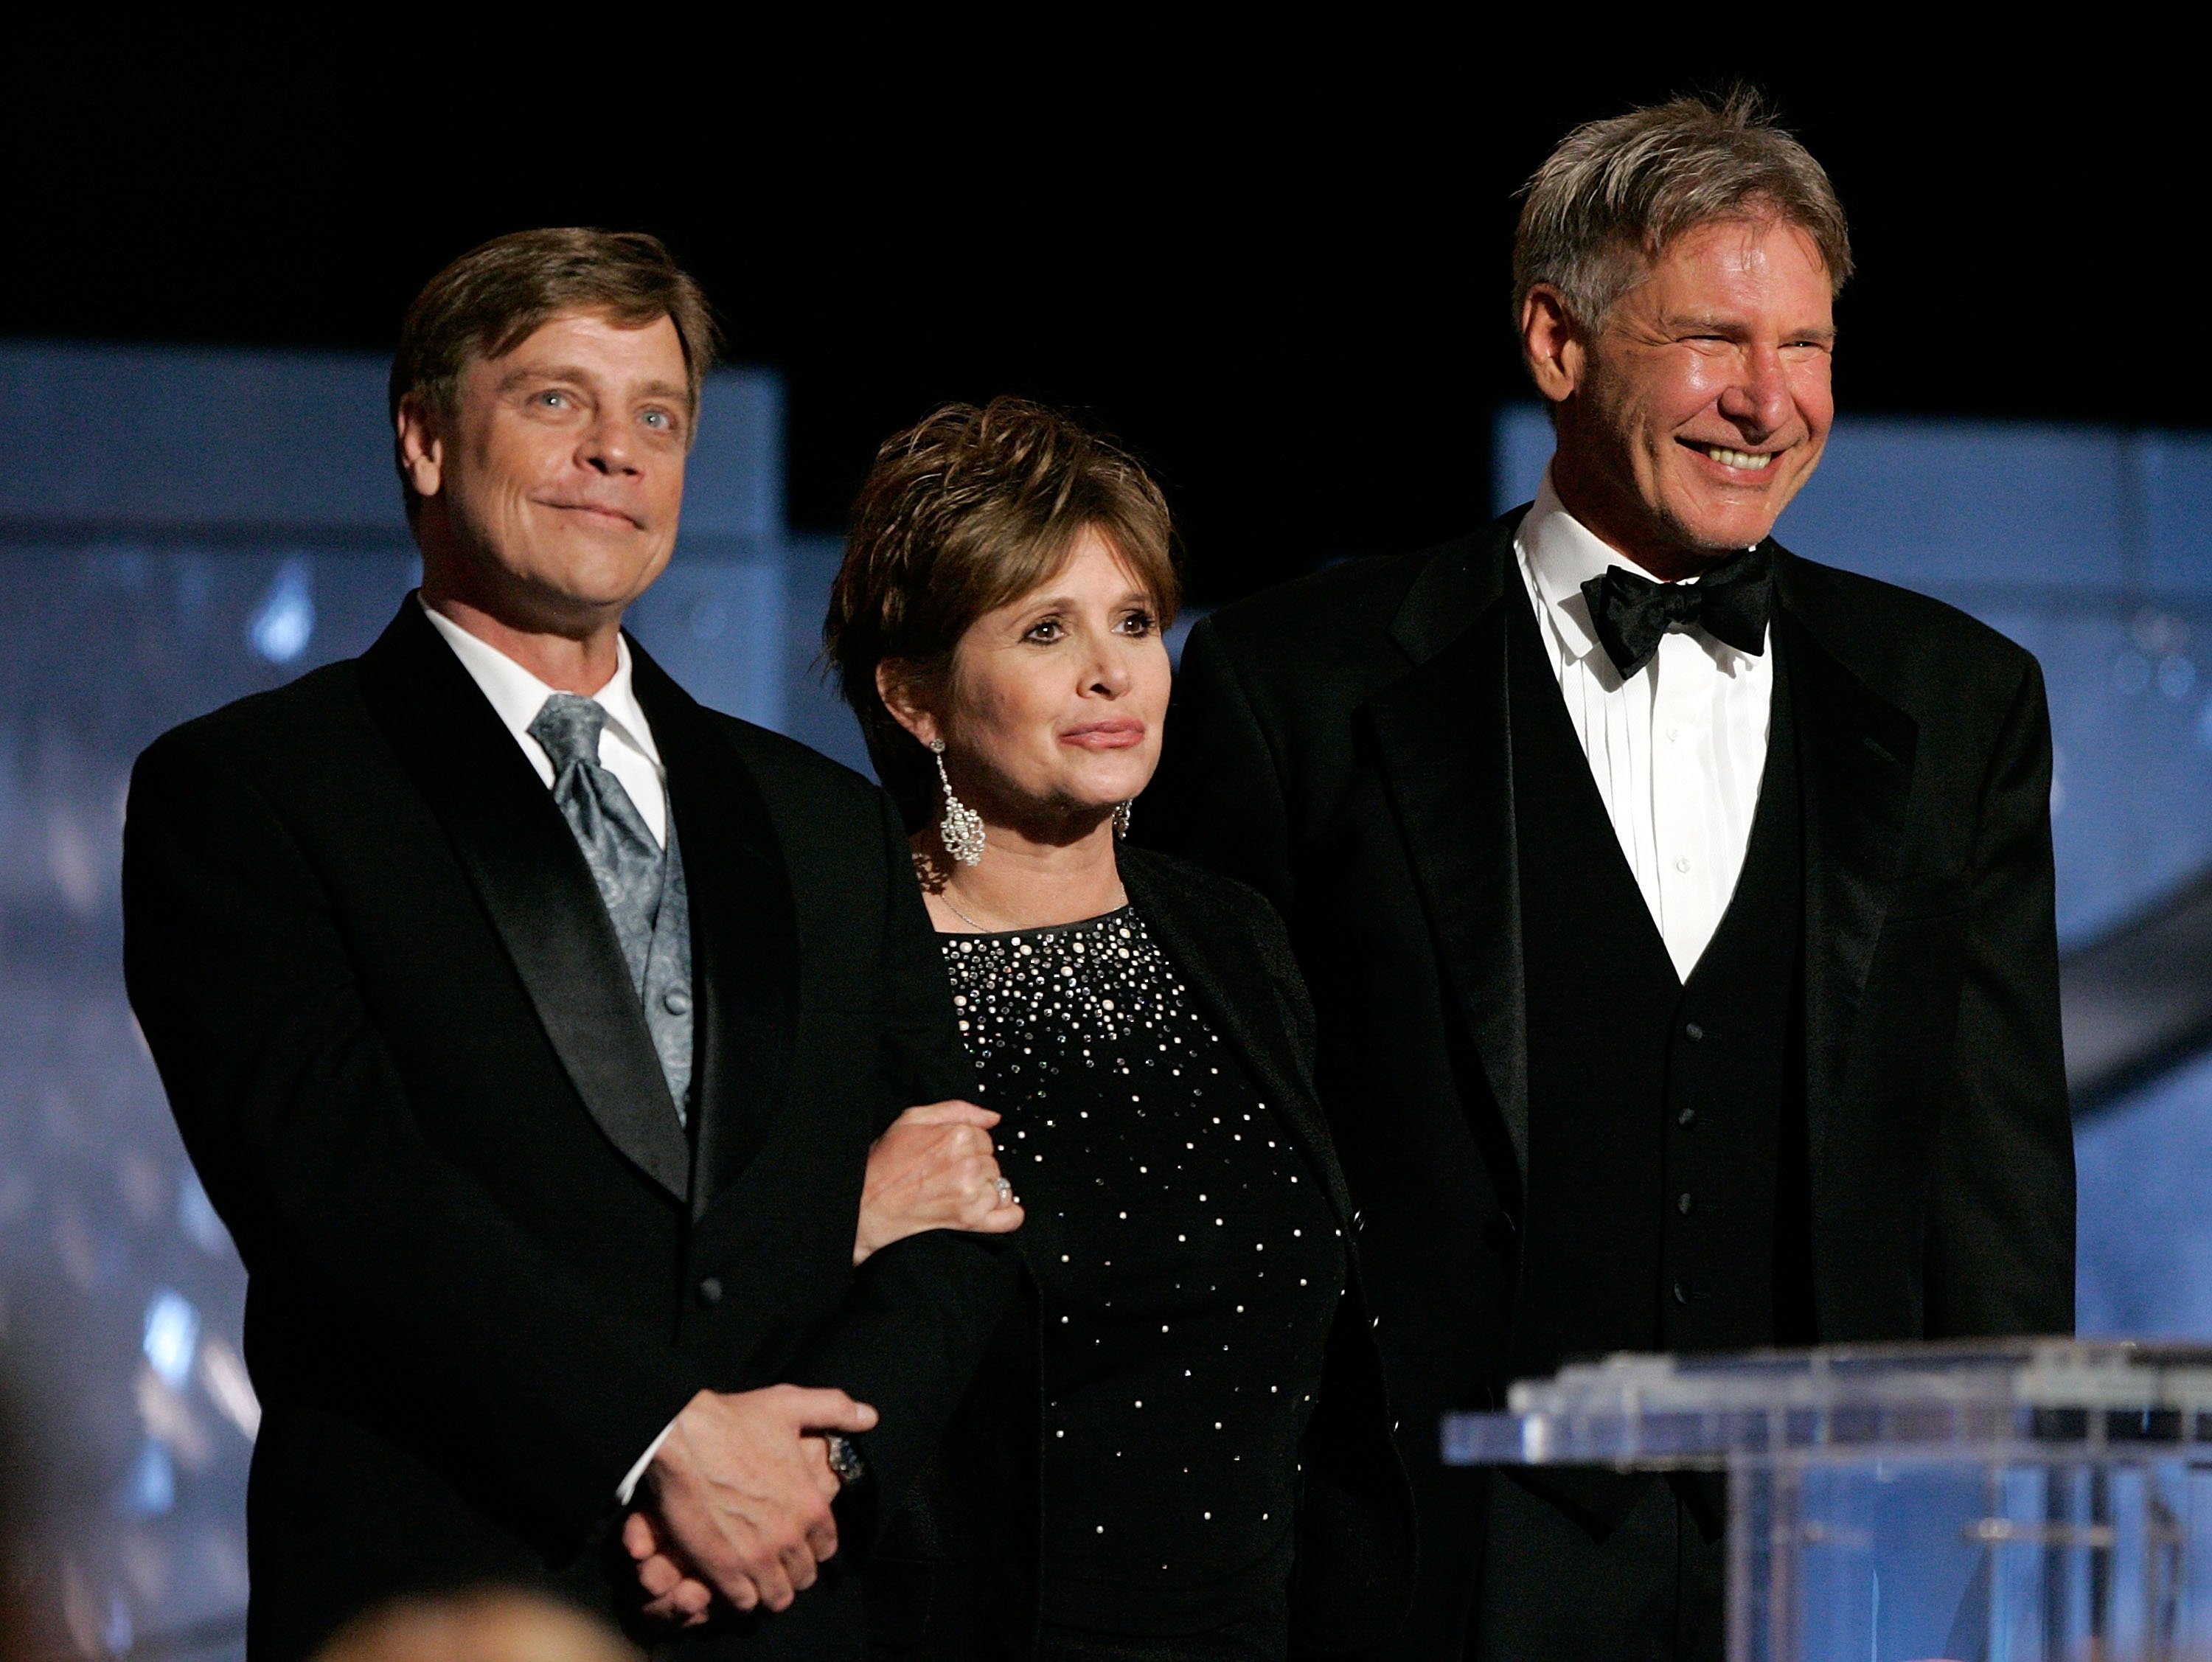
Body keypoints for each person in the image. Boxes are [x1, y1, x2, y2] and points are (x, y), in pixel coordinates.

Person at [1142, 91, 2075, 1661]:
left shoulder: (1957, 700)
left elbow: (1992, 1189)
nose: (1770, 402)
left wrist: (1987, 1539)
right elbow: (1203, 1167)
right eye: (1717, 338)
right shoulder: (1298, 684)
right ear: (1558, 344)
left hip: (1828, 1568)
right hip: (1422, 1565)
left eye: (1810, 346)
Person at [122, 229, 1018, 1661]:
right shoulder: (253, 788)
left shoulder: (821, 821)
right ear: (423, 438)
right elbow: (344, 1194)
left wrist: (814, 1476)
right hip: (454, 1587)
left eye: (657, 415)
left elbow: (961, 1218)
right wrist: (661, 1439)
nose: (617, 449)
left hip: (792, 1600)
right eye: (556, 400)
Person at [818, 399, 1411, 1661]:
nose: (1113, 670)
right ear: (916, 696)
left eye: (1133, 621)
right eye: (1047, 629)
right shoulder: (851, 961)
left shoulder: (1234, 933)